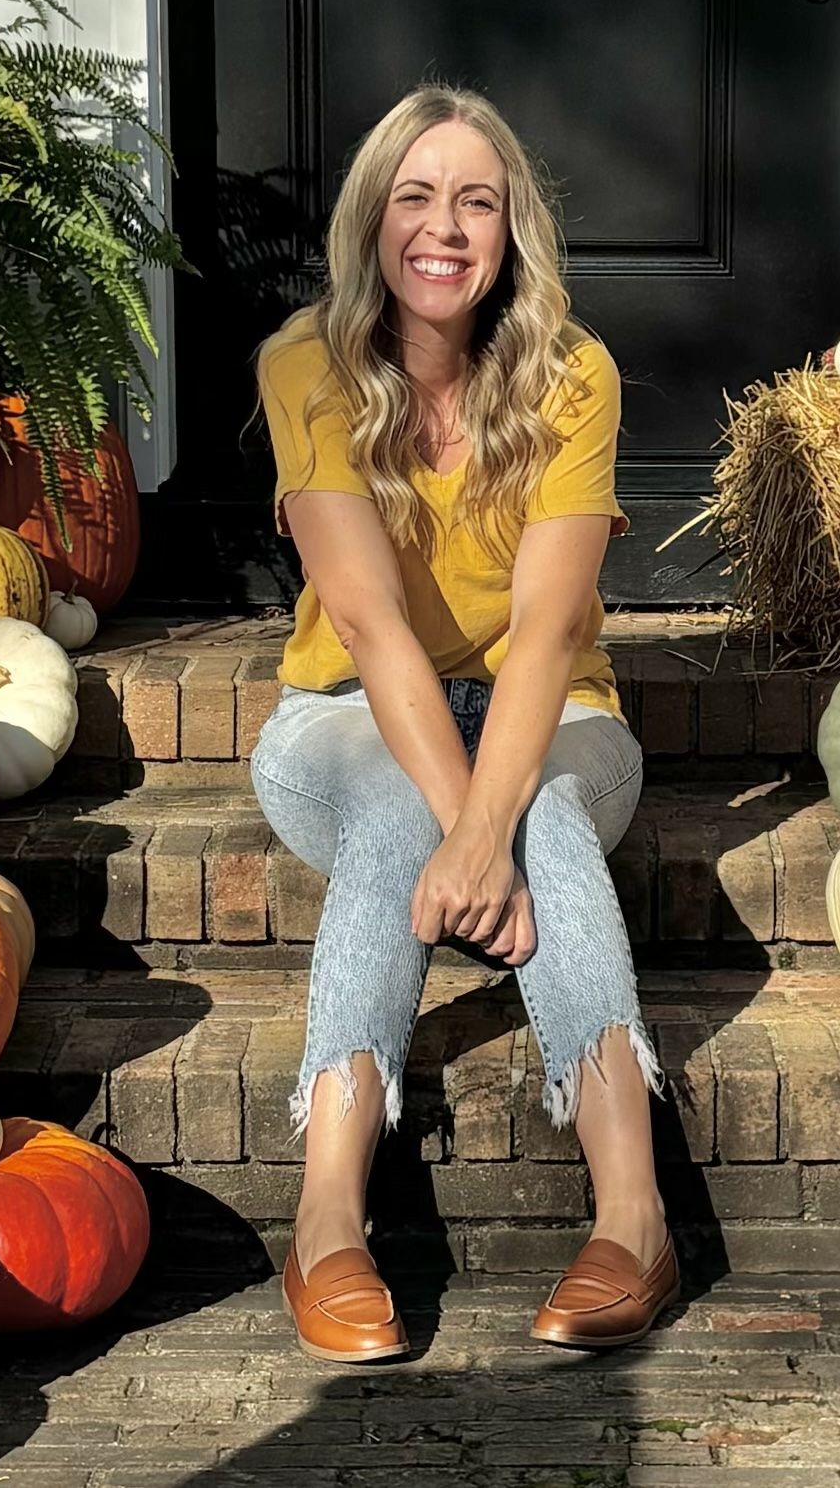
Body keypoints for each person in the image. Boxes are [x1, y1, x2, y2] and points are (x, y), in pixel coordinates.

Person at [248, 84, 670, 1362]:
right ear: (374, 221)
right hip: (340, 717)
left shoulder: (572, 374)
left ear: (510, 231)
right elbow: (369, 623)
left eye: (474, 201)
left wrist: (491, 833)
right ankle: (328, 1216)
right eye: (414, 197)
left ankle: (635, 1218)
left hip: (558, 719)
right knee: (392, 796)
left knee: (539, 799)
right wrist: (464, 831)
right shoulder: (302, 363)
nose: (443, 227)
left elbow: (546, 631)